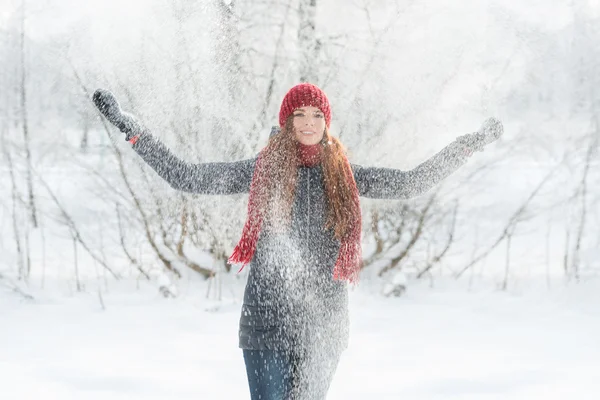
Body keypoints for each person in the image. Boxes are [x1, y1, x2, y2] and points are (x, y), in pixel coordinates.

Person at [92, 83, 502, 399]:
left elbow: (411, 182)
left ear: (327, 122)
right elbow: (186, 176)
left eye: (317, 114)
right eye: (299, 114)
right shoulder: (263, 171)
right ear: (286, 121)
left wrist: (470, 144)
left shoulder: (345, 175)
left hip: (323, 326)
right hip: (266, 323)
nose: (308, 122)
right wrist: (132, 128)